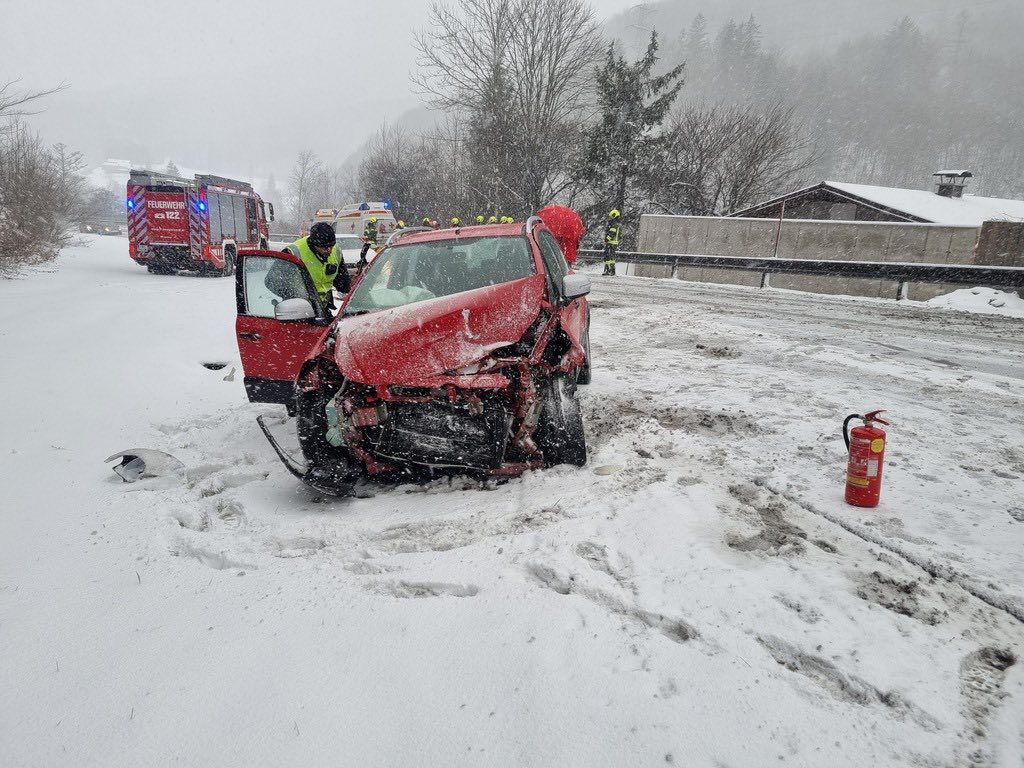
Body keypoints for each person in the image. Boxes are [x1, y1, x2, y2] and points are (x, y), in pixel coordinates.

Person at [286, 222, 349, 309]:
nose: (329, 250)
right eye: (325, 247)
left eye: (331, 246)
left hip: (323, 307)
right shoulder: (293, 252)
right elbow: (275, 282)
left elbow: (343, 282)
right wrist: (294, 298)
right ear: (314, 244)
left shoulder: (336, 251)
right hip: (298, 308)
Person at [603, 208, 621, 276]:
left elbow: (612, 233)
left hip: (611, 242)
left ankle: (608, 270)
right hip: (614, 242)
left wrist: (607, 239)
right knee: (611, 257)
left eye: (611, 216)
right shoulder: (617, 223)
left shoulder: (613, 223)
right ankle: (611, 270)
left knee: (608, 257)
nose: (610, 218)